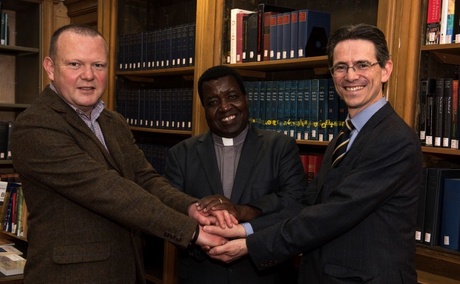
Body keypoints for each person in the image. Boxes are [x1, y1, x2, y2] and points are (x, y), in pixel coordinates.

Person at [10, 24, 231, 284]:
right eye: (75, 64)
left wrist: (190, 208)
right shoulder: (35, 126)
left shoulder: (113, 121)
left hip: (126, 269)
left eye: (98, 65)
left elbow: (145, 178)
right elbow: (108, 191)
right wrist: (192, 231)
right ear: (50, 67)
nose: (88, 75)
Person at [204, 23, 423, 283]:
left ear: (386, 70)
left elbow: (334, 213)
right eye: (341, 67)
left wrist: (251, 245)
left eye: (363, 65)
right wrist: (244, 229)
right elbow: (309, 206)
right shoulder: (346, 135)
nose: (351, 76)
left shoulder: (394, 139)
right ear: (332, 75)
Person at [163, 65, 307, 283]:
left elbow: (294, 204)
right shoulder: (180, 154)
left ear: (245, 99)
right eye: (212, 102)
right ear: (204, 108)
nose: (224, 107)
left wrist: (241, 211)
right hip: (202, 273)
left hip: (265, 275)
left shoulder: (280, 147)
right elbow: (169, 215)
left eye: (232, 96)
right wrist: (204, 239)